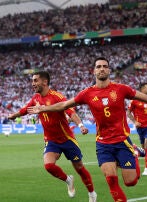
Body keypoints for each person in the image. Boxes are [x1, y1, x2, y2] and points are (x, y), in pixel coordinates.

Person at [28, 57, 147, 201]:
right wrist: (43, 109)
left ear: (109, 70)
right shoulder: (87, 93)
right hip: (103, 144)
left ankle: (134, 151)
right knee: (111, 181)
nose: (102, 69)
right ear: (94, 71)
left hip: (122, 141)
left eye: (105, 66)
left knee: (130, 182)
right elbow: (64, 105)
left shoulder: (121, 89)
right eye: (98, 66)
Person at [7, 71, 97, 202]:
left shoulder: (57, 96)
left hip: (67, 139)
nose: (33, 83)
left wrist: (81, 125)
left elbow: (71, 112)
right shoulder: (36, 98)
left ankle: (92, 193)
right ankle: (68, 180)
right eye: (32, 81)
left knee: (79, 168)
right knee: (49, 166)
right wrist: (14, 116)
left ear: (44, 82)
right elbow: (26, 109)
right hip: (51, 141)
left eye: (35, 80)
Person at [127, 82, 147, 176]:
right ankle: (140, 149)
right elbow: (128, 113)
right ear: (142, 89)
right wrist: (135, 122)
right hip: (140, 127)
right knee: (144, 147)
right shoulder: (134, 100)